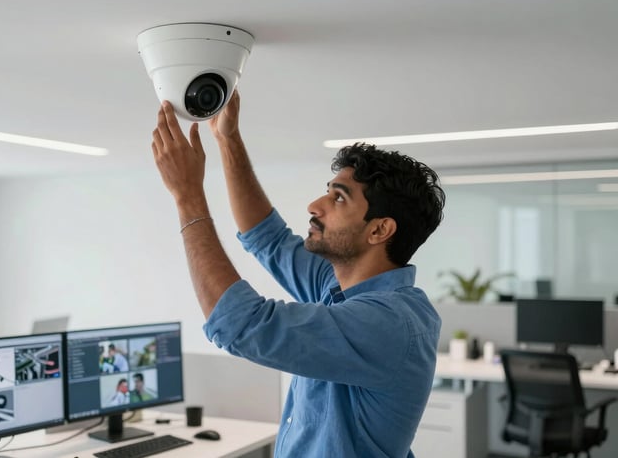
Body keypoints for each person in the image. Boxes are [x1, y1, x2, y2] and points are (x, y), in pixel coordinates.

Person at [151, 90, 445, 457]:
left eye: (339, 198)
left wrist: (187, 196)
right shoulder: (338, 284)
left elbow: (241, 324)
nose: (314, 205)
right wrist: (228, 138)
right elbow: (267, 237)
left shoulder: (388, 322)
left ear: (379, 230)